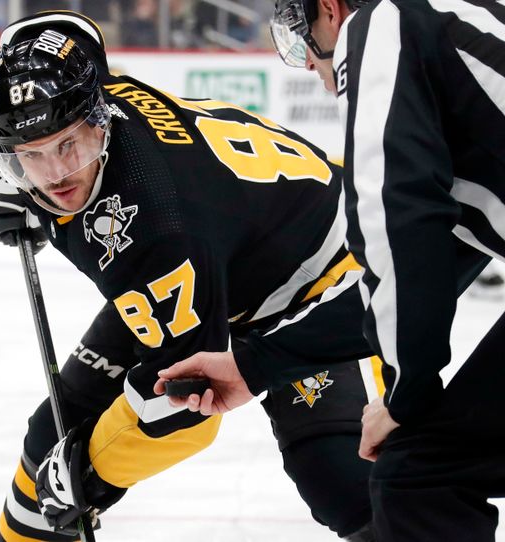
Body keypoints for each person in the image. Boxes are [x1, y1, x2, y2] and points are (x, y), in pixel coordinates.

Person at [0, 11, 383, 542]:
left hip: (311, 276)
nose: (55, 176)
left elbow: (187, 406)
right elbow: (49, 41)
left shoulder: (159, 229)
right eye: (29, 157)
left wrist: (92, 477)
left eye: (67, 147)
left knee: (342, 481)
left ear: (100, 119)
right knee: (53, 431)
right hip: (215, 258)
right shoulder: (88, 91)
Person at [163, 0, 505, 539]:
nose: (305, 62)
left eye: (300, 36)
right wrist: (255, 365)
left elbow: (397, 217)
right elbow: (434, 258)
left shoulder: (383, 21)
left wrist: (405, 394)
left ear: (330, 9)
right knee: (432, 463)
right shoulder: (459, 29)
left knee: (422, 473)